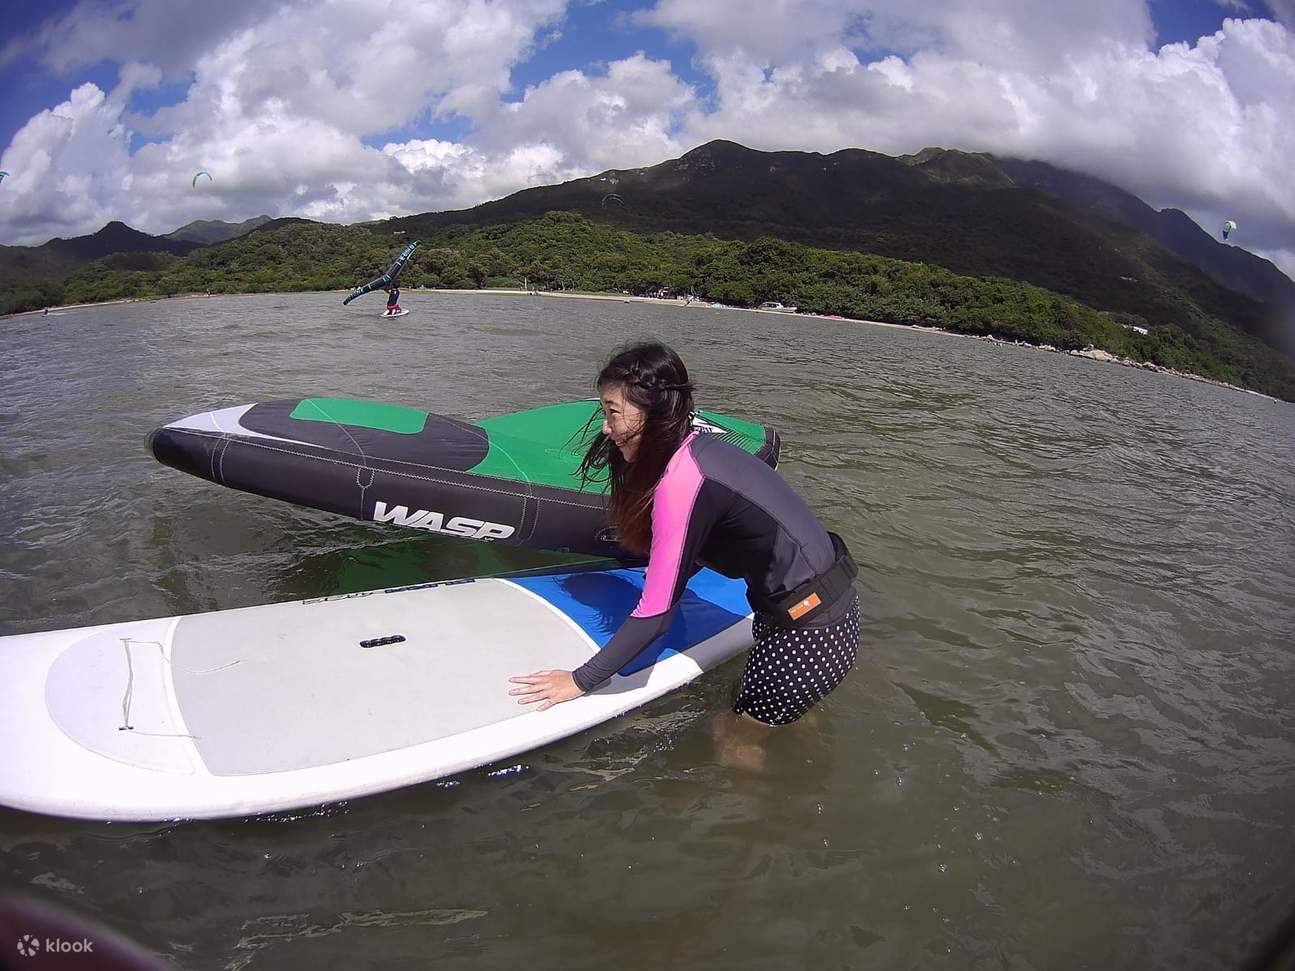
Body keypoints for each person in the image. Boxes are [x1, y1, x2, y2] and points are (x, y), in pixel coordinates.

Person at [508, 341, 860, 765]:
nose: (605, 427)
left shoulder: (683, 479)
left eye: (613, 412)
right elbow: (712, 545)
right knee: (777, 717)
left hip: (804, 640)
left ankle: (761, 819)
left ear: (653, 413)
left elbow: (656, 616)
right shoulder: (701, 448)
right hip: (832, 616)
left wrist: (580, 681)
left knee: (732, 736)